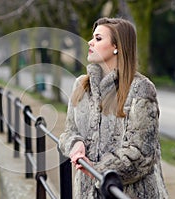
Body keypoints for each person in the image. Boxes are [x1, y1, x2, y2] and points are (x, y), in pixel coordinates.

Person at [59, 17, 168, 198]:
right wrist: (75, 143)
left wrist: (97, 171)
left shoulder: (141, 88)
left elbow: (141, 154)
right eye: (92, 37)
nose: (90, 42)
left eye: (98, 38)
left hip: (128, 193)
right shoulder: (81, 85)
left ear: (117, 46)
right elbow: (69, 131)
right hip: (86, 193)